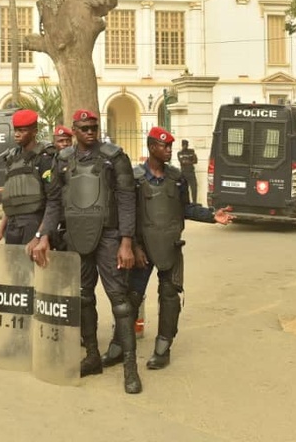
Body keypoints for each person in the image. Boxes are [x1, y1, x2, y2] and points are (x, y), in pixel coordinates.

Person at [100, 127, 234, 371]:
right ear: (152, 148)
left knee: (170, 297)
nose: (169, 150)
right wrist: (134, 245)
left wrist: (213, 216)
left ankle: (163, 348)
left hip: (170, 246)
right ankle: (119, 345)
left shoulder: (177, 178)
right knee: (131, 298)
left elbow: (185, 208)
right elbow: (126, 214)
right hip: (142, 249)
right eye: (164, 146)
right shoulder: (135, 178)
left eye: (170, 146)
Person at [29, 109, 142, 394]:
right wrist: (43, 235)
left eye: (94, 127)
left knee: (120, 300)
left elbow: (128, 199)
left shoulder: (114, 157)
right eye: (84, 128)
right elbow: (54, 201)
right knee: (83, 298)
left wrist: (126, 241)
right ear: (74, 130)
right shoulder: (63, 159)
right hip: (76, 237)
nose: (90, 132)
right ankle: (92, 355)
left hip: (109, 235)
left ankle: (130, 366)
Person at [0, 109, 53, 254]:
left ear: (34, 131)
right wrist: (0, 232)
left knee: (33, 274)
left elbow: (52, 201)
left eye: (22, 130)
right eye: (16, 130)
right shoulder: (11, 158)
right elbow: (9, 200)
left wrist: (40, 235)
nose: (17, 134)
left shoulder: (44, 158)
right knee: (14, 273)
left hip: (34, 224)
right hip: (13, 226)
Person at [176, 139, 199, 205]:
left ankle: (194, 202)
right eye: (184, 145)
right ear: (182, 145)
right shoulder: (179, 153)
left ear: (187, 145)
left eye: (186, 145)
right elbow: (182, 162)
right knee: (184, 189)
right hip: (183, 173)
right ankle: (185, 202)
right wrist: (190, 161)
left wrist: (188, 161)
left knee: (194, 187)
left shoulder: (191, 152)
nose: (185, 146)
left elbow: (195, 161)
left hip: (191, 172)